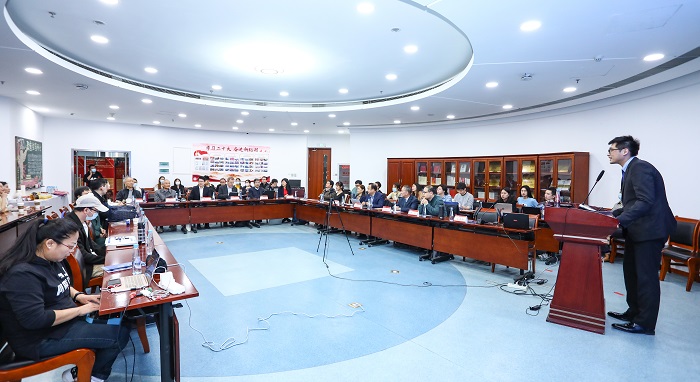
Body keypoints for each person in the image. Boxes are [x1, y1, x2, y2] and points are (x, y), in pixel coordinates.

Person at [0, 218, 130, 382]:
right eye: (69, 246)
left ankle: (81, 372)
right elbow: (35, 319)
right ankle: (92, 377)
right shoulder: (22, 274)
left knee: (121, 321)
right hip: (39, 339)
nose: (72, 250)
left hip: (62, 325)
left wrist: (79, 296)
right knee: (119, 335)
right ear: (50, 244)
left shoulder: (50, 259)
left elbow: (62, 283)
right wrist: (80, 310)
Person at [606, 135, 676, 335]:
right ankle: (633, 312)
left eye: (611, 149)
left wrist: (619, 220)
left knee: (646, 278)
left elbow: (645, 201)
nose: (609, 153)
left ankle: (645, 323)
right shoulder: (629, 170)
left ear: (624, 151)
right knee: (631, 273)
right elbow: (632, 203)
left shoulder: (640, 168)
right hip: (637, 231)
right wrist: (611, 214)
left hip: (649, 231)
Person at [64, 194, 108, 278]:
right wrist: (106, 259)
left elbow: (90, 243)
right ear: (86, 210)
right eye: (95, 211)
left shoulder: (81, 221)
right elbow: (83, 255)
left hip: (89, 261)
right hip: (86, 268)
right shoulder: (71, 227)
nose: (97, 214)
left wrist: (106, 253)